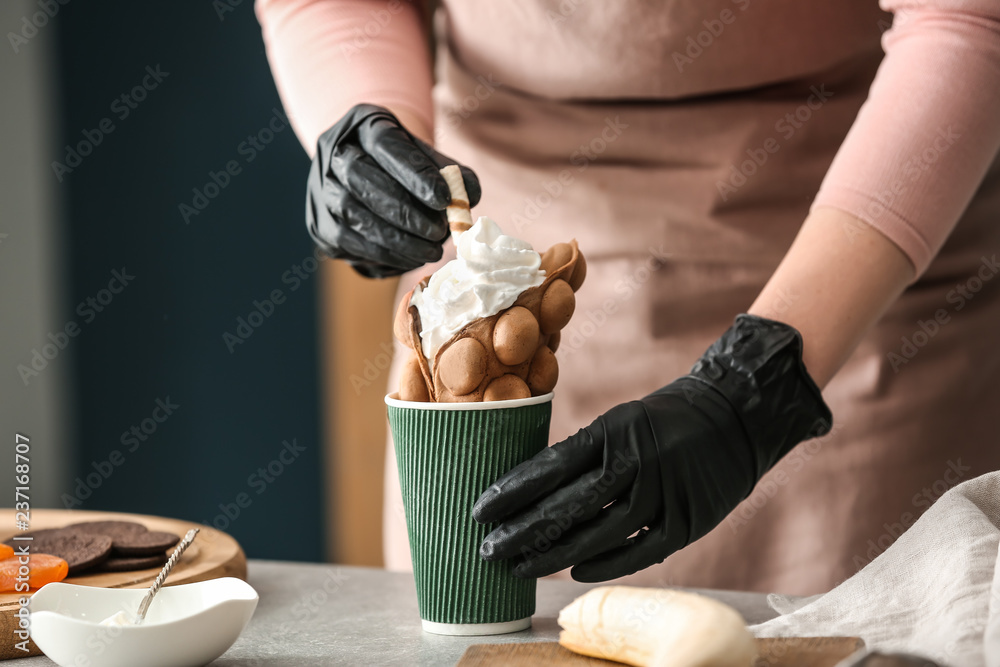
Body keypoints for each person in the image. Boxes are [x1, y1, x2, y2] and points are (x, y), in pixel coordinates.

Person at [256, 0, 1000, 595]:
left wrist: (759, 383)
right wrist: (366, 122)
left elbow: (965, 20)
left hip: (856, 303)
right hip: (502, 332)